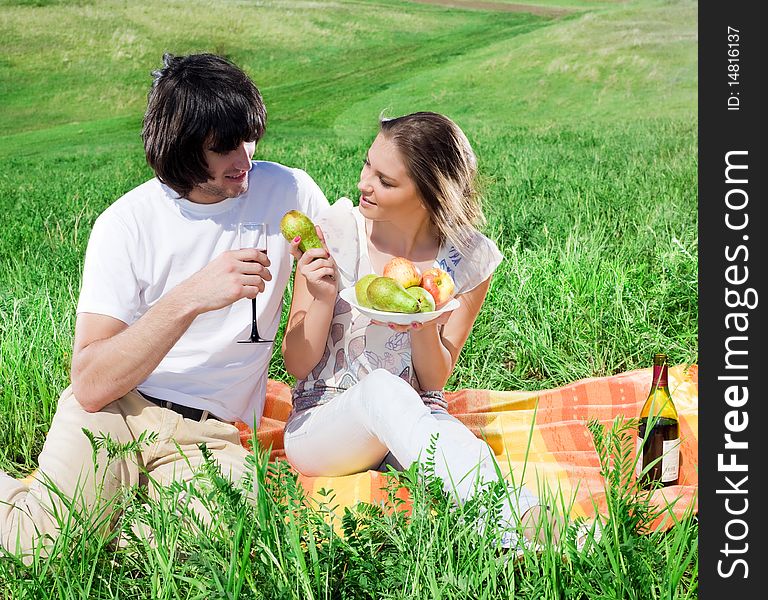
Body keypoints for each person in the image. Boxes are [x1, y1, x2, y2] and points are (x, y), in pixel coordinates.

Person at [0, 53, 329, 556]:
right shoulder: (125, 224)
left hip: (212, 432)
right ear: (180, 153)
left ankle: (100, 505)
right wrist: (192, 298)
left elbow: (304, 348)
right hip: (116, 410)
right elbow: (90, 382)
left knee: (220, 550)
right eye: (224, 148)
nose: (245, 159)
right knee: (38, 548)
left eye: (250, 138)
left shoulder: (289, 192)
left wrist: (322, 289)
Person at [281, 111, 545, 548]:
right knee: (382, 389)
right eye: (368, 165)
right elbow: (296, 363)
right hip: (322, 426)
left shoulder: (466, 260)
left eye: (385, 181)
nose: (364, 182)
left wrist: (424, 323)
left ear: (427, 195)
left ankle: (539, 532)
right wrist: (322, 295)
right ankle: (509, 520)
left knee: (464, 445)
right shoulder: (334, 233)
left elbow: (434, 380)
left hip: (418, 415)